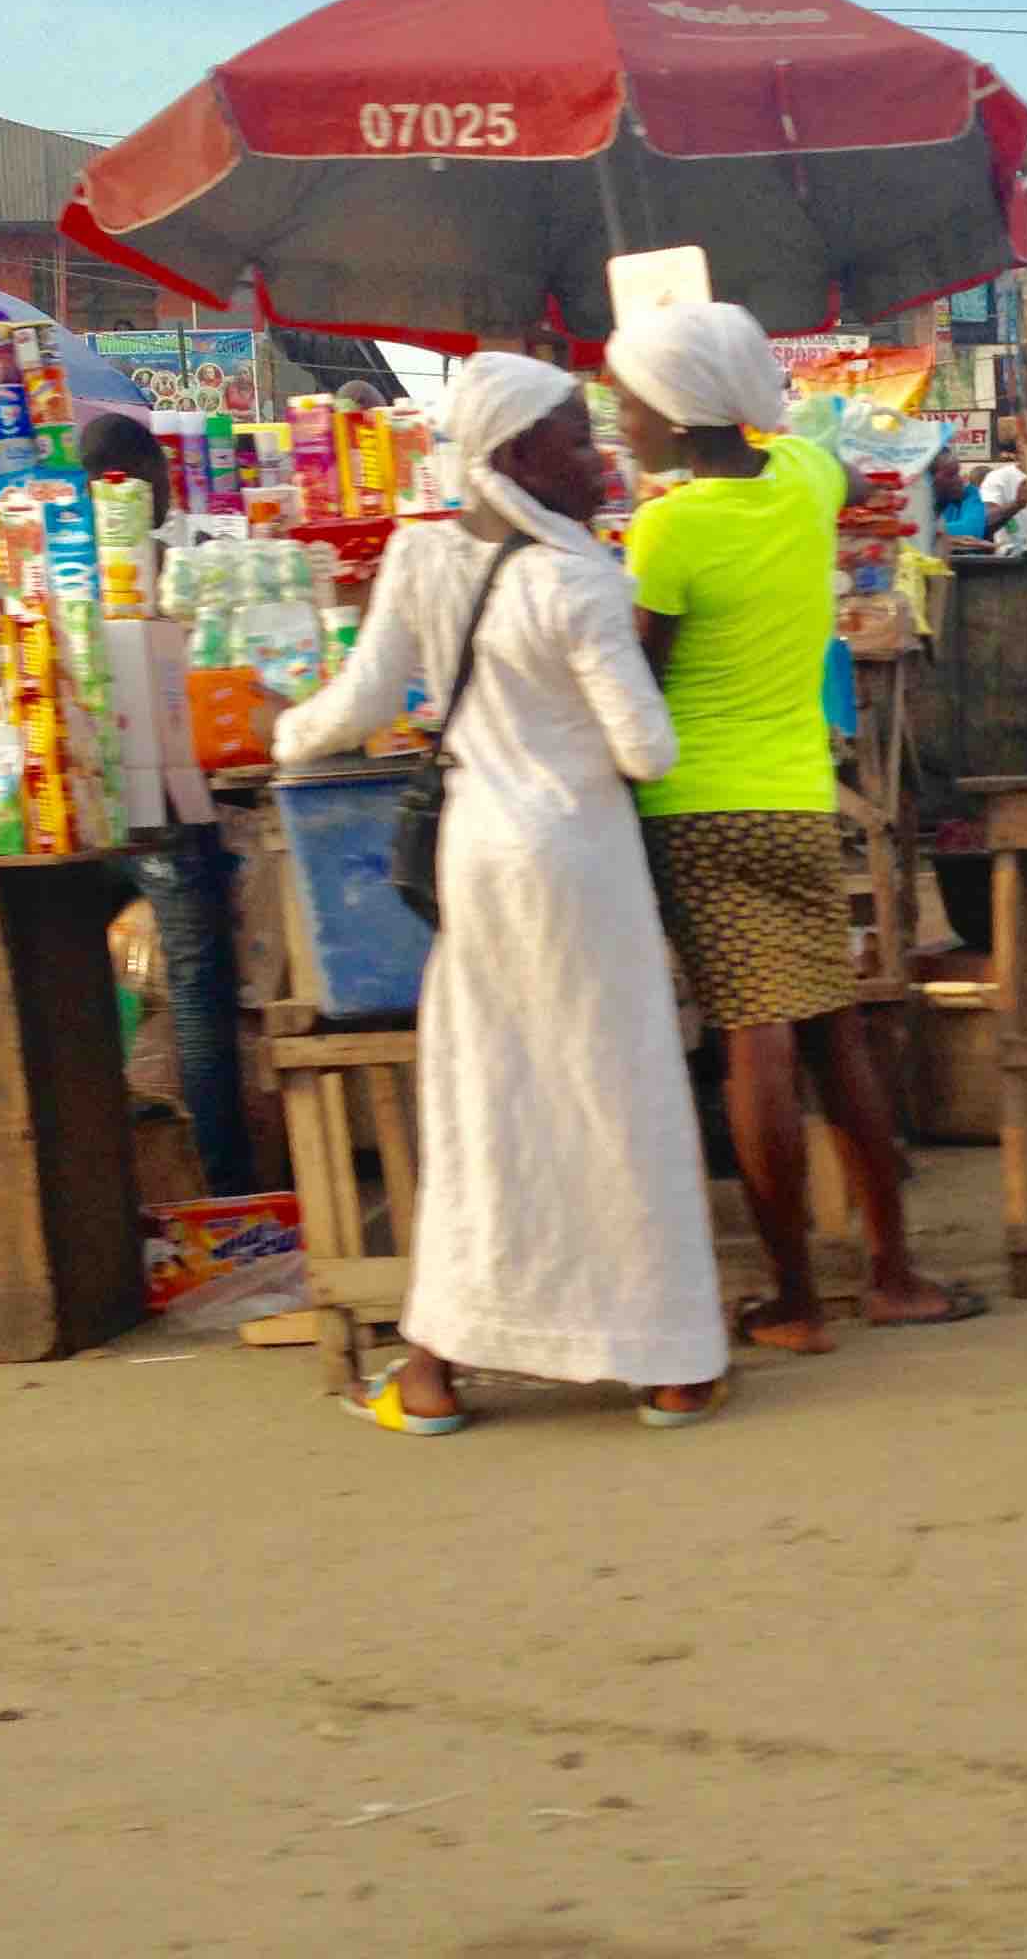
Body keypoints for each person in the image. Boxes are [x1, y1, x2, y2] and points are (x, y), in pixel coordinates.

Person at [273, 356, 728, 1433]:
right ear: (519, 453)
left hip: (478, 861)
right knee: (619, 1097)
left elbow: (355, 704)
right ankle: (670, 1366)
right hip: (581, 869)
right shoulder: (582, 582)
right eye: (577, 438)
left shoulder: (421, 557)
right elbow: (646, 750)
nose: (600, 456)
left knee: (488, 1106)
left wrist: (280, 736)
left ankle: (431, 1373)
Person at [608, 300, 979, 1352]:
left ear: (679, 417)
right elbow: (859, 473)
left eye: (630, 400)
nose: (619, 417)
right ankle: (893, 1272)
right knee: (833, 1029)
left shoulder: (668, 526)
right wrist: (793, 432)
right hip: (798, 795)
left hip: (699, 808)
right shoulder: (806, 483)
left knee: (753, 1042)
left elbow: (643, 677)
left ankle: (796, 1299)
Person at [79, 411, 253, 1194]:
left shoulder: (64, 566)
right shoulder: (191, 564)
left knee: (80, 988)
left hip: (83, 809)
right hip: (173, 806)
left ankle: (115, 1183)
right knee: (196, 995)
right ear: (155, 475)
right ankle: (225, 1187)